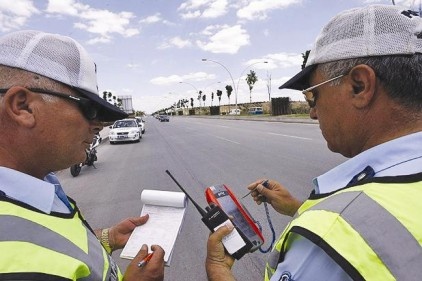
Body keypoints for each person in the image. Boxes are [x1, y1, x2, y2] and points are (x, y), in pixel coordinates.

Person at [206, 4, 422, 281]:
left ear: (359, 85)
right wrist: (297, 208)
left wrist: (218, 269)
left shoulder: (330, 239)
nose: (312, 112)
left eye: (313, 96)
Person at [0, 30, 165, 280]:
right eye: (88, 109)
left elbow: (53, 245)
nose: (98, 125)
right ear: (23, 106)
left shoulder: (39, 186)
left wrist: (105, 239)